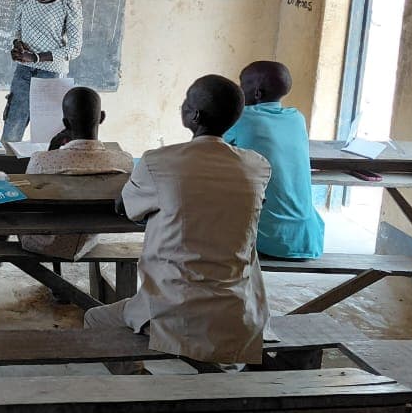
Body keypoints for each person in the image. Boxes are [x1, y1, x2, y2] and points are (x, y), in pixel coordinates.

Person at [83, 75, 271, 368]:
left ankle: (129, 384)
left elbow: (129, 208)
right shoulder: (256, 166)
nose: (182, 105)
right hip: (240, 313)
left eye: (186, 102)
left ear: (194, 116)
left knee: (94, 318)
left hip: (174, 310)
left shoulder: (158, 162)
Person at [0, 86, 132, 308]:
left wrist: (51, 150)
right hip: (87, 240)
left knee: (8, 205)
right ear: (101, 117)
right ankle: (57, 284)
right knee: (63, 214)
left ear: (65, 124)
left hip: (44, 243)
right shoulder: (124, 162)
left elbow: (27, 199)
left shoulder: (42, 161)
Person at [224, 61, 324, 260]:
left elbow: (209, 146)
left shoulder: (243, 118)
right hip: (307, 238)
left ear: (257, 93)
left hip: (268, 239)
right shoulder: (297, 118)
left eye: (242, 85)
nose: (239, 90)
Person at [1, 0, 83, 142]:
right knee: (12, 129)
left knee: (47, 136)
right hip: (23, 71)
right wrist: (17, 46)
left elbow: (74, 49)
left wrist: (36, 57)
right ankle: (8, 161)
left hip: (51, 75)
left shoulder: (68, 5)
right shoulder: (26, 0)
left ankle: (43, 163)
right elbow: (16, 31)